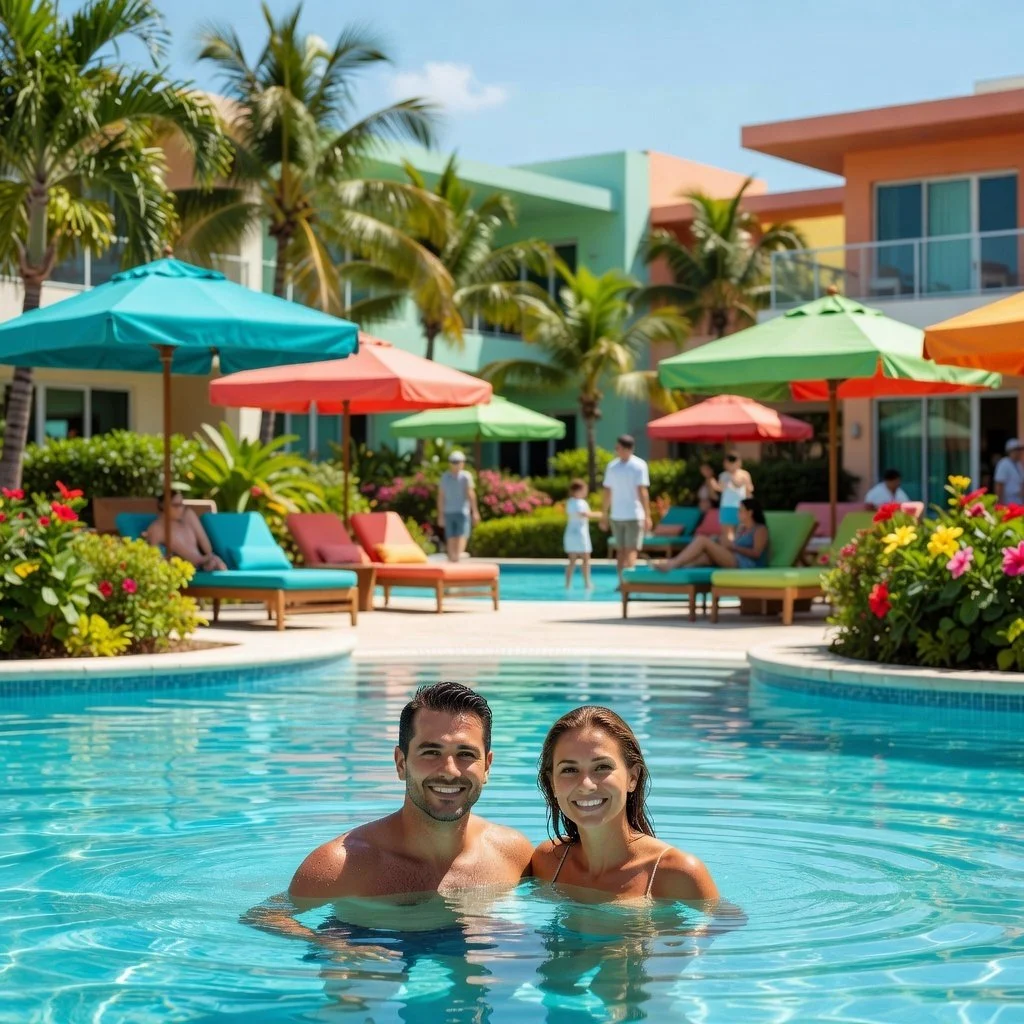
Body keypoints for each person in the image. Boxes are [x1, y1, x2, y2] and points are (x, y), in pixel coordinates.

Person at [287, 682, 533, 903]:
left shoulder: (513, 855)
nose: (449, 771)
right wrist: (334, 946)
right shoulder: (339, 866)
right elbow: (270, 920)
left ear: (487, 766)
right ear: (401, 763)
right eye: (431, 752)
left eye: (465, 754)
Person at [530, 705, 719, 902]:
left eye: (602, 767)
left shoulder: (678, 874)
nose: (586, 784)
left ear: (632, 777)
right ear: (552, 783)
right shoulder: (548, 863)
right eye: (569, 770)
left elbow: (724, 928)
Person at [655, 497, 768, 572]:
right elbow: (732, 546)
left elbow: (756, 553)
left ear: (750, 512)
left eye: (740, 510)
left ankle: (673, 564)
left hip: (746, 564)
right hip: (734, 557)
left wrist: (734, 547)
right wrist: (721, 542)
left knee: (702, 540)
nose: (737, 513)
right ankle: (677, 568)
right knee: (704, 557)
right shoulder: (741, 529)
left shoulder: (760, 529)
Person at [601, 435, 651, 583]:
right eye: (616, 448)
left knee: (631, 550)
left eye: (619, 448)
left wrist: (647, 515)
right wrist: (604, 513)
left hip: (634, 514)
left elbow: (642, 492)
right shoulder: (612, 466)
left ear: (629, 449)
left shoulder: (639, 465)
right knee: (621, 551)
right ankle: (622, 582)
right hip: (617, 515)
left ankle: (629, 582)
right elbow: (607, 492)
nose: (617, 451)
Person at [143, 489, 226, 570]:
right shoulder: (157, 528)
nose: (180, 509)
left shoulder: (187, 516)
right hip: (185, 567)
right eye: (176, 505)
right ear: (163, 505)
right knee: (215, 564)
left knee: (217, 563)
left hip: (204, 561)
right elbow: (153, 558)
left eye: (182, 505)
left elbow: (207, 549)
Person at [437, 451, 480, 563]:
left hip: (463, 511)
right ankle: (452, 559)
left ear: (462, 463)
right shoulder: (445, 477)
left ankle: (457, 558)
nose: (455, 464)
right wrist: (440, 515)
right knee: (451, 536)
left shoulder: (466, 477)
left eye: (457, 462)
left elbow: (471, 494)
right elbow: (441, 496)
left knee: (462, 535)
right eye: (453, 462)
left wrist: (474, 512)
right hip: (448, 511)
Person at [564, 479, 601, 589]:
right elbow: (584, 514)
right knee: (584, 558)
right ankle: (586, 583)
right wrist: (599, 514)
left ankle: (570, 584)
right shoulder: (577, 503)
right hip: (579, 534)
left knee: (574, 560)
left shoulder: (571, 502)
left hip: (574, 533)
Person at [717, 454, 753, 542]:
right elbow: (721, 489)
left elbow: (750, 489)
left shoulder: (744, 474)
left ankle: (736, 552)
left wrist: (740, 481)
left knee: (741, 532)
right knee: (727, 534)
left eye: (726, 462)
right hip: (726, 506)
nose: (725, 464)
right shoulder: (723, 475)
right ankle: (727, 553)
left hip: (741, 507)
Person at [994, 438, 1024, 505]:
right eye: (1017, 450)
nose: (1019, 452)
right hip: (1008, 502)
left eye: (1020, 450)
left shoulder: (1019, 464)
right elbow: (999, 484)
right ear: (1010, 451)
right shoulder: (1004, 464)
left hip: (1019, 502)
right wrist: (999, 503)